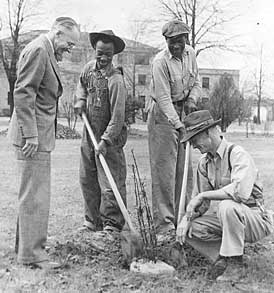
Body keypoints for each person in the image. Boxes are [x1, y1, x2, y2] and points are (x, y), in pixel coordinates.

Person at [8, 17, 80, 269]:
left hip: (36, 134)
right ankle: (33, 254)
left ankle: (25, 248)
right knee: (35, 195)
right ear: (58, 33)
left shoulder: (45, 49)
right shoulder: (40, 49)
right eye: (69, 44)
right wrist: (30, 135)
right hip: (32, 137)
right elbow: (23, 92)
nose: (69, 50)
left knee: (32, 192)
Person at [176, 110, 273, 281]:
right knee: (189, 229)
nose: (193, 145)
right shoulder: (204, 163)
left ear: (208, 133)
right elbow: (202, 204)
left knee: (227, 206)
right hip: (229, 219)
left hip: (255, 219)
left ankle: (235, 264)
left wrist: (203, 195)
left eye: (194, 139)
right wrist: (186, 219)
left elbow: (240, 193)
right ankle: (223, 258)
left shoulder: (237, 154)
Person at [148, 20, 201, 240]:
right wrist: (177, 124)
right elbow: (162, 97)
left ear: (186, 39)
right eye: (172, 42)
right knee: (164, 172)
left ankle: (181, 220)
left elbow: (196, 82)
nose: (176, 46)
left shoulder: (191, 54)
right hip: (163, 114)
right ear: (166, 41)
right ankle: (163, 227)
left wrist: (192, 100)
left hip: (183, 110)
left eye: (180, 41)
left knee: (184, 169)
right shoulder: (160, 62)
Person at [74, 30, 127, 236]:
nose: (103, 58)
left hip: (110, 139)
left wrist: (106, 141)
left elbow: (118, 117)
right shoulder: (88, 69)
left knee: (109, 182)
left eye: (108, 54)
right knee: (87, 178)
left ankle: (112, 223)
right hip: (89, 133)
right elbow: (81, 86)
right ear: (94, 50)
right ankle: (92, 220)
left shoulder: (116, 80)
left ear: (113, 54)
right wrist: (79, 100)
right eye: (100, 53)